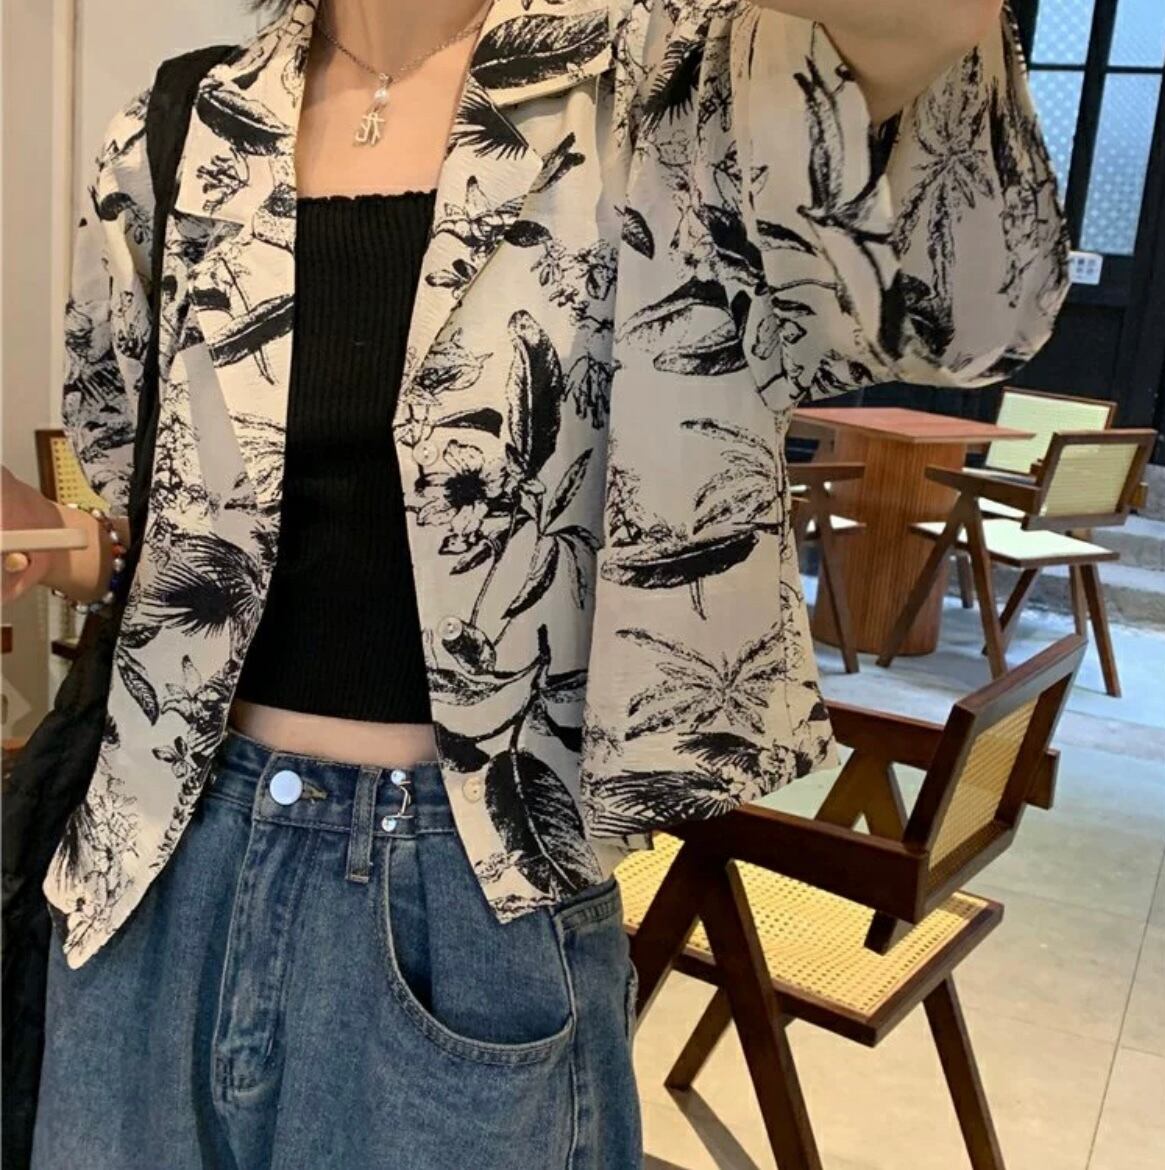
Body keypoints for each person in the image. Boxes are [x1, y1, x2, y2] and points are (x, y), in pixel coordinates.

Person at [1, 0, 1067, 1165]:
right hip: (156, 857)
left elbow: (972, 315)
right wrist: (66, 543)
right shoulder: (185, 122)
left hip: (468, 881)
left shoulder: (677, 79)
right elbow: (162, 496)